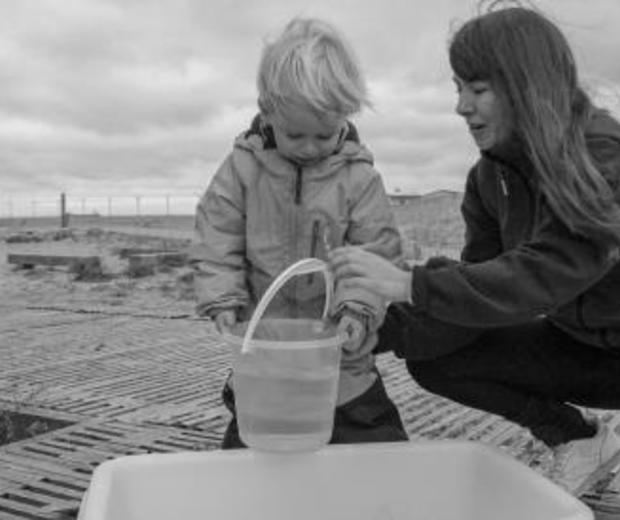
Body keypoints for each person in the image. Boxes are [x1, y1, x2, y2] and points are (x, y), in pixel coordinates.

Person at [328, 3, 620, 495]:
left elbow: (550, 269)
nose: (462, 106)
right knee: (437, 357)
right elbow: (480, 296)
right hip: (588, 352)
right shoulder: (489, 178)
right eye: (458, 89)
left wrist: (407, 282)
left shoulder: (603, 154)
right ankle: (579, 438)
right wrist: (371, 329)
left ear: (526, 85)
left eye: (478, 89)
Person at [190, 17, 408, 448]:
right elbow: (216, 234)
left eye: (324, 135)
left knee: (378, 454)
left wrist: (358, 311)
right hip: (263, 355)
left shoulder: (358, 178)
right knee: (251, 461)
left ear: (346, 116)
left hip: (341, 358)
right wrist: (222, 297)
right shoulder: (243, 168)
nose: (310, 147)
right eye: (295, 134)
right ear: (267, 110)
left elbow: (376, 252)